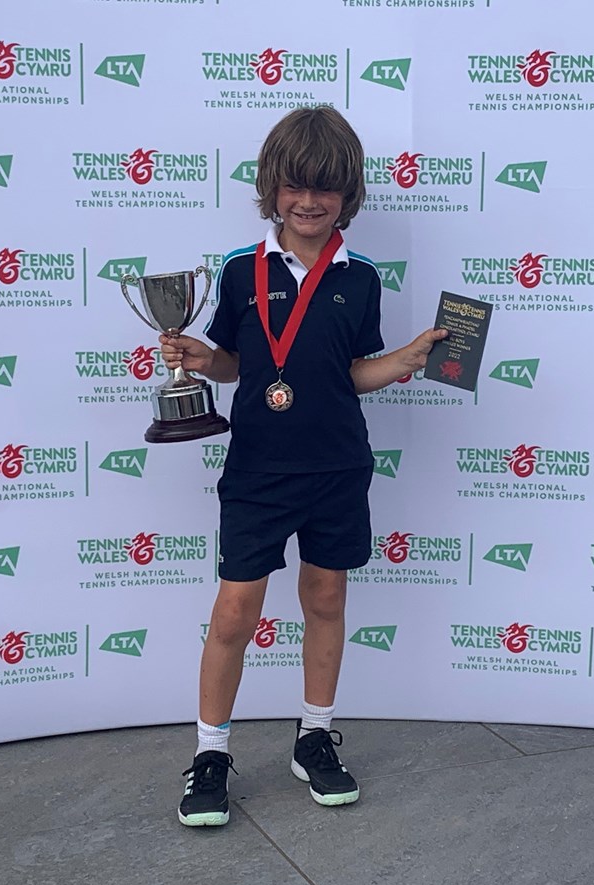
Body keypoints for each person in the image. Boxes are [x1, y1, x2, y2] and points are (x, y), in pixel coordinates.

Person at [159, 107, 446, 827]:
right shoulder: (238, 271)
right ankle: (211, 753)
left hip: (337, 469)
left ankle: (313, 738)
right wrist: (204, 361)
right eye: (295, 186)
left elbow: (349, 374)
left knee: (325, 600)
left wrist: (407, 360)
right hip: (257, 470)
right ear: (271, 188)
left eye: (325, 189)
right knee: (234, 612)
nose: (309, 202)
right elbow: (236, 363)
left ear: (347, 194)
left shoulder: (361, 278)